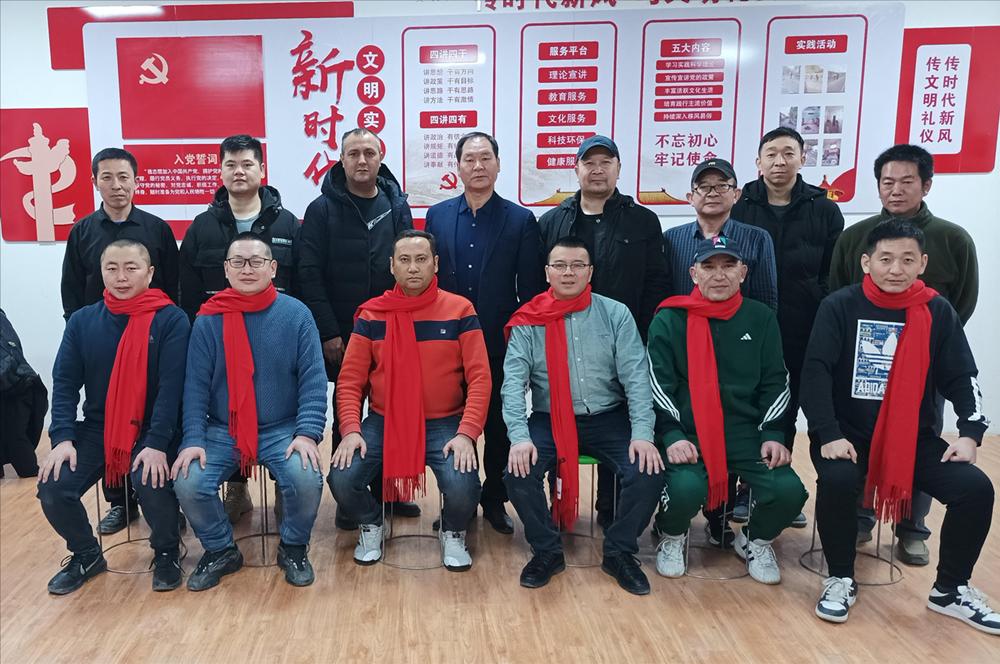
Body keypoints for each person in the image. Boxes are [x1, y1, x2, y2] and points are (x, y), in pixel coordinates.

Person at [801, 220, 995, 633]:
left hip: (912, 438)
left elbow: (963, 375)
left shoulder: (937, 311)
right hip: (847, 435)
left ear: (922, 263)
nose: (895, 269)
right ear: (866, 262)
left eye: (907, 260)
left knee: (975, 489)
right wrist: (828, 433)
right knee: (838, 479)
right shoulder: (839, 305)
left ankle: (951, 590)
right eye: (885, 259)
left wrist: (969, 433)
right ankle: (840, 578)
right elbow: (815, 373)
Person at [829, 144, 979, 565]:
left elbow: (960, 304)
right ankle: (861, 516)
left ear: (926, 185)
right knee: (858, 437)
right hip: (863, 362)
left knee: (919, 440)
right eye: (887, 182)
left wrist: (923, 343)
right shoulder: (856, 237)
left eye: (907, 181)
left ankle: (912, 527)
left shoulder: (953, 238)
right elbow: (838, 291)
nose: (896, 190)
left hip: (921, 368)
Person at [502, 237, 664, 596]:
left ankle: (619, 552)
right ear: (547, 272)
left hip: (608, 418)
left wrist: (643, 433)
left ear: (590, 272)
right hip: (549, 418)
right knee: (518, 471)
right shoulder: (529, 319)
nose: (568, 272)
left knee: (647, 471)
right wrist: (519, 437)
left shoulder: (615, 313)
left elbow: (637, 377)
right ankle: (547, 550)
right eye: (560, 265)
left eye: (577, 265)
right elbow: (512, 384)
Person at [172, 233, 327, 590]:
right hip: (222, 429)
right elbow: (195, 386)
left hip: (282, 428)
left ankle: (293, 547)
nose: (247, 269)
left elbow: (314, 381)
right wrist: (193, 439)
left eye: (256, 261)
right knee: (188, 481)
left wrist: (306, 434)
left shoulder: (297, 314)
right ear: (226, 270)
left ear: (272, 268)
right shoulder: (208, 319)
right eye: (238, 262)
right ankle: (220, 550)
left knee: (306, 477)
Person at [648, 236, 805, 585]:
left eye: (728, 265)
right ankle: (672, 534)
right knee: (685, 489)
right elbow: (657, 385)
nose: (719, 275)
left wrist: (773, 434)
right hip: (689, 432)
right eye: (709, 266)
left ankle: (755, 540)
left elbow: (776, 381)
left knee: (789, 492)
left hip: (746, 433)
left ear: (743, 272)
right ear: (693, 273)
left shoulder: (761, 318)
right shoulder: (670, 318)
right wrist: (671, 434)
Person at [329, 230, 491, 569]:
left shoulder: (460, 310)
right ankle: (372, 523)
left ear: (436, 263)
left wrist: (467, 434)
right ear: (392, 266)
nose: (413, 267)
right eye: (404, 260)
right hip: (384, 421)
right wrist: (351, 430)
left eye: (421, 259)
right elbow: (350, 381)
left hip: (444, 422)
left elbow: (480, 378)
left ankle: (453, 530)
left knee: (464, 486)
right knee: (342, 477)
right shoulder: (372, 315)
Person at [38, 239, 188, 594]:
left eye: (131, 268)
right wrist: (62, 438)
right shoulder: (82, 321)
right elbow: (65, 383)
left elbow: (172, 389)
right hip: (98, 427)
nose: (121, 277)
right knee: (54, 487)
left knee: (149, 476)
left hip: (155, 428)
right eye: (112, 268)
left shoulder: (171, 320)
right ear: (101, 273)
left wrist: (156, 443)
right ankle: (86, 554)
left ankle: (167, 551)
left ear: (149, 273)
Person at [537, 135, 669, 527]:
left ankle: (611, 509)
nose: (597, 170)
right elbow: (537, 285)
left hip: (624, 339)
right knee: (561, 417)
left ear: (618, 168)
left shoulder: (642, 221)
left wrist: (642, 336)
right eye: (589, 162)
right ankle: (560, 506)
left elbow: (656, 283)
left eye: (606, 162)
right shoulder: (553, 221)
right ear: (576, 169)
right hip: (563, 338)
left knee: (618, 420)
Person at [297, 127, 419, 524]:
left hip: (392, 328)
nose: (362, 160)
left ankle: (389, 491)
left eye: (369, 152)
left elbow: (408, 267)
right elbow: (309, 272)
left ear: (381, 158)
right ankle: (349, 500)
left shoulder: (396, 204)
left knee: (391, 409)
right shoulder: (322, 209)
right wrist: (328, 331)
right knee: (346, 411)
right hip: (341, 331)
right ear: (342, 159)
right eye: (354, 153)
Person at [425, 131, 544, 534]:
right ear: (458, 167)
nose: (478, 166)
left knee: (497, 424)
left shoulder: (520, 220)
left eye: (485, 158)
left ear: (498, 165)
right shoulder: (438, 216)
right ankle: (457, 500)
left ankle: (494, 499)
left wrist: (524, 345)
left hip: (497, 342)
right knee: (452, 422)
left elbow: (530, 290)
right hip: (445, 342)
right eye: (469, 159)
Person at [179, 134, 300, 525]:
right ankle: (236, 486)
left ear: (262, 170)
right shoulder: (203, 226)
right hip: (220, 337)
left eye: (247, 164)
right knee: (226, 408)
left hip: (275, 334)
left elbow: (303, 279)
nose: (239, 172)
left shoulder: (286, 222)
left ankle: (283, 484)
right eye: (230, 165)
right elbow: (187, 288)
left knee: (276, 405)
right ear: (220, 171)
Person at [61, 147, 180, 535]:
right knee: (108, 416)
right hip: (103, 336)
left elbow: (173, 285)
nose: (116, 185)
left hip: (151, 338)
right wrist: (82, 334)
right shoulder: (82, 231)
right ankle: (120, 503)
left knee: (154, 414)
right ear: (95, 182)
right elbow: (72, 290)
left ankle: (163, 504)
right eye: (107, 177)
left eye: (124, 177)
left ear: (136, 181)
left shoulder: (157, 228)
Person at [663, 158, 780, 539]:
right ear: (690, 195)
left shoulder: (756, 238)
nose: (712, 193)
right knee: (697, 427)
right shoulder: (674, 239)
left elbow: (766, 298)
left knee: (729, 426)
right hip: (688, 350)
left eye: (721, 185)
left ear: (736, 193)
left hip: (737, 344)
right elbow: (667, 295)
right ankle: (677, 521)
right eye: (704, 186)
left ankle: (719, 519)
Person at [731, 127, 844, 463]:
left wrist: (819, 302)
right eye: (771, 154)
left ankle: (778, 473)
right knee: (747, 402)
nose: (779, 161)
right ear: (759, 162)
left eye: (788, 153)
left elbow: (833, 271)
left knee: (793, 403)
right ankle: (744, 480)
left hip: (804, 325)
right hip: (747, 324)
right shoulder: (739, 206)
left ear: (802, 159)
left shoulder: (824, 210)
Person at [1, 309, 47, 478]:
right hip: (19, 380)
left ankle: (31, 473)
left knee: (16, 434)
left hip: (17, 384)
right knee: (15, 432)